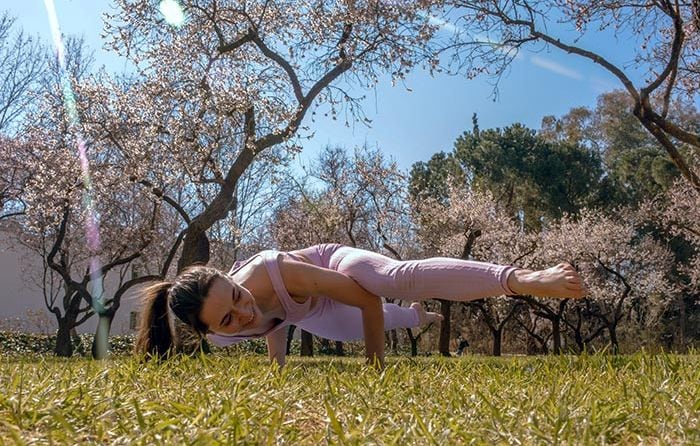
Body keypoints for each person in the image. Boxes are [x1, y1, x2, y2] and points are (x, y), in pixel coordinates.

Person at [135, 243, 585, 368]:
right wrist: (277, 369)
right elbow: (271, 324)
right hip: (312, 312)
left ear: (232, 279)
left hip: (333, 266)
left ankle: (522, 278)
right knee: (355, 328)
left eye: (237, 296)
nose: (243, 314)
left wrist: (375, 368)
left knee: (394, 281)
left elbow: (368, 299)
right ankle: (417, 317)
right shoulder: (224, 331)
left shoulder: (277, 272)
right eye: (229, 320)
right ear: (211, 331)